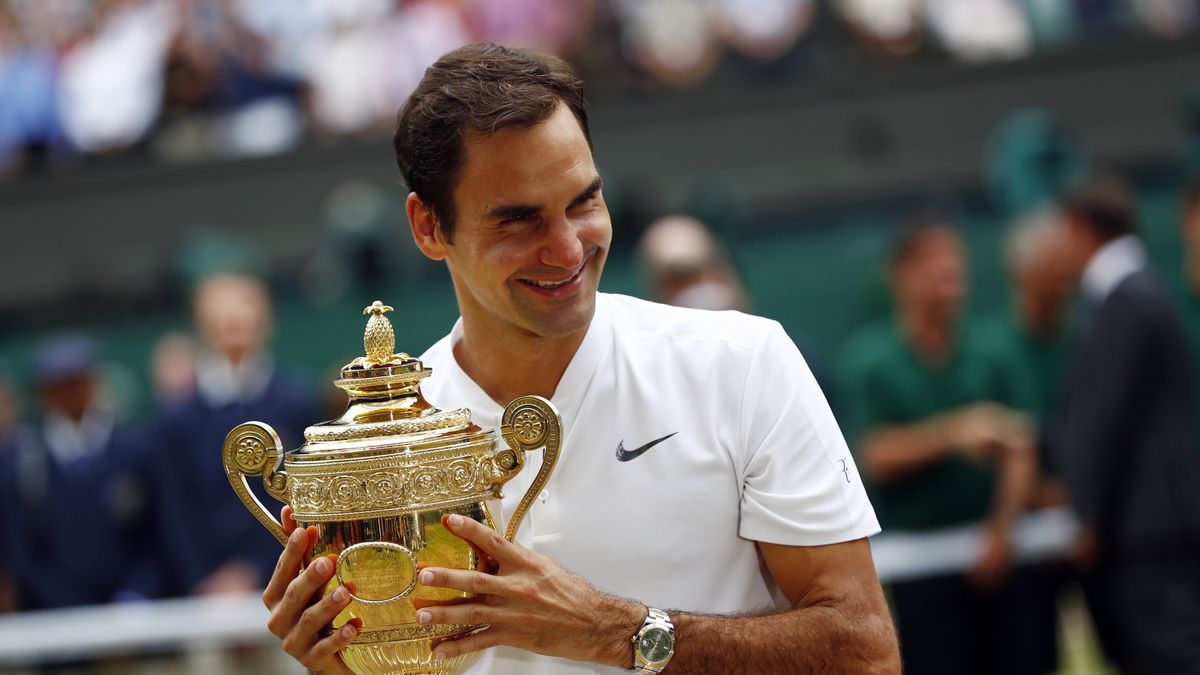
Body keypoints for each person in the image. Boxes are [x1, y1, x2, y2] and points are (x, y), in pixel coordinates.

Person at [262, 43, 899, 674]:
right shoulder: (373, 451)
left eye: (583, 202)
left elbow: (866, 654)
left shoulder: (743, 363)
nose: (567, 249)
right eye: (519, 221)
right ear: (429, 228)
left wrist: (616, 633)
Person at [837, 218, 1044, 675]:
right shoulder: (871, 361)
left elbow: (1020, 443)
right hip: (920, 571)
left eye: (956, 262)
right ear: (902, 274)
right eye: (936, 263)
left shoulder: (994, 348)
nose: (951, 273)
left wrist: (1002, 530)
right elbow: (872, 454)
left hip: (1000, 562)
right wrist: (955, 433)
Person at [1049, 176, 1200, 674]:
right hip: (1152, 526)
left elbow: (1103, 417)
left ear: (1081, 229)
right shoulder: (1138, 294)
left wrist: (1087, 514)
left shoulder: (1126, 300)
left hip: (1148, 532)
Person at [152, 272, 315, 597]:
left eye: (243, 313)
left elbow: (304, 499)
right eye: (222, 317)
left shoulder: (298, 402)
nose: (234, 322)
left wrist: (256, 570)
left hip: (291, 587)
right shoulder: (176, 419)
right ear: (202, 325)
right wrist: (204, 583)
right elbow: (173, 511)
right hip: (205, 598)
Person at [0, 335, 160, 609]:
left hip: (135, 617)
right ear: (44, 393)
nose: (71, 393)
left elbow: (157, 535)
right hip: (57, 622)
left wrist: (136, 595)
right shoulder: (22, 463)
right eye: (60, 386)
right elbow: (21, 552)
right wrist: (68, 606)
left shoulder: (133, 451)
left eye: (78, 382)